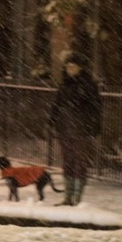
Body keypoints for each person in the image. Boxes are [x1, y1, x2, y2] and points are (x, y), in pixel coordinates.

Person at [47, 52, 102, 206]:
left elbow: (95, 108)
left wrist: (94, 127)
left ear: (80, 68)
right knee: (68, 161)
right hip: (65, 128)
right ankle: (68, 196)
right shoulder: (64, 84)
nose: (70, 69)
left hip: (81, 128)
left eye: (73, 67)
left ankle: (77, 196)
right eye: (68, 66)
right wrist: (52, 122)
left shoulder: (89, 85)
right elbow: (56, 105)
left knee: (80, 162)